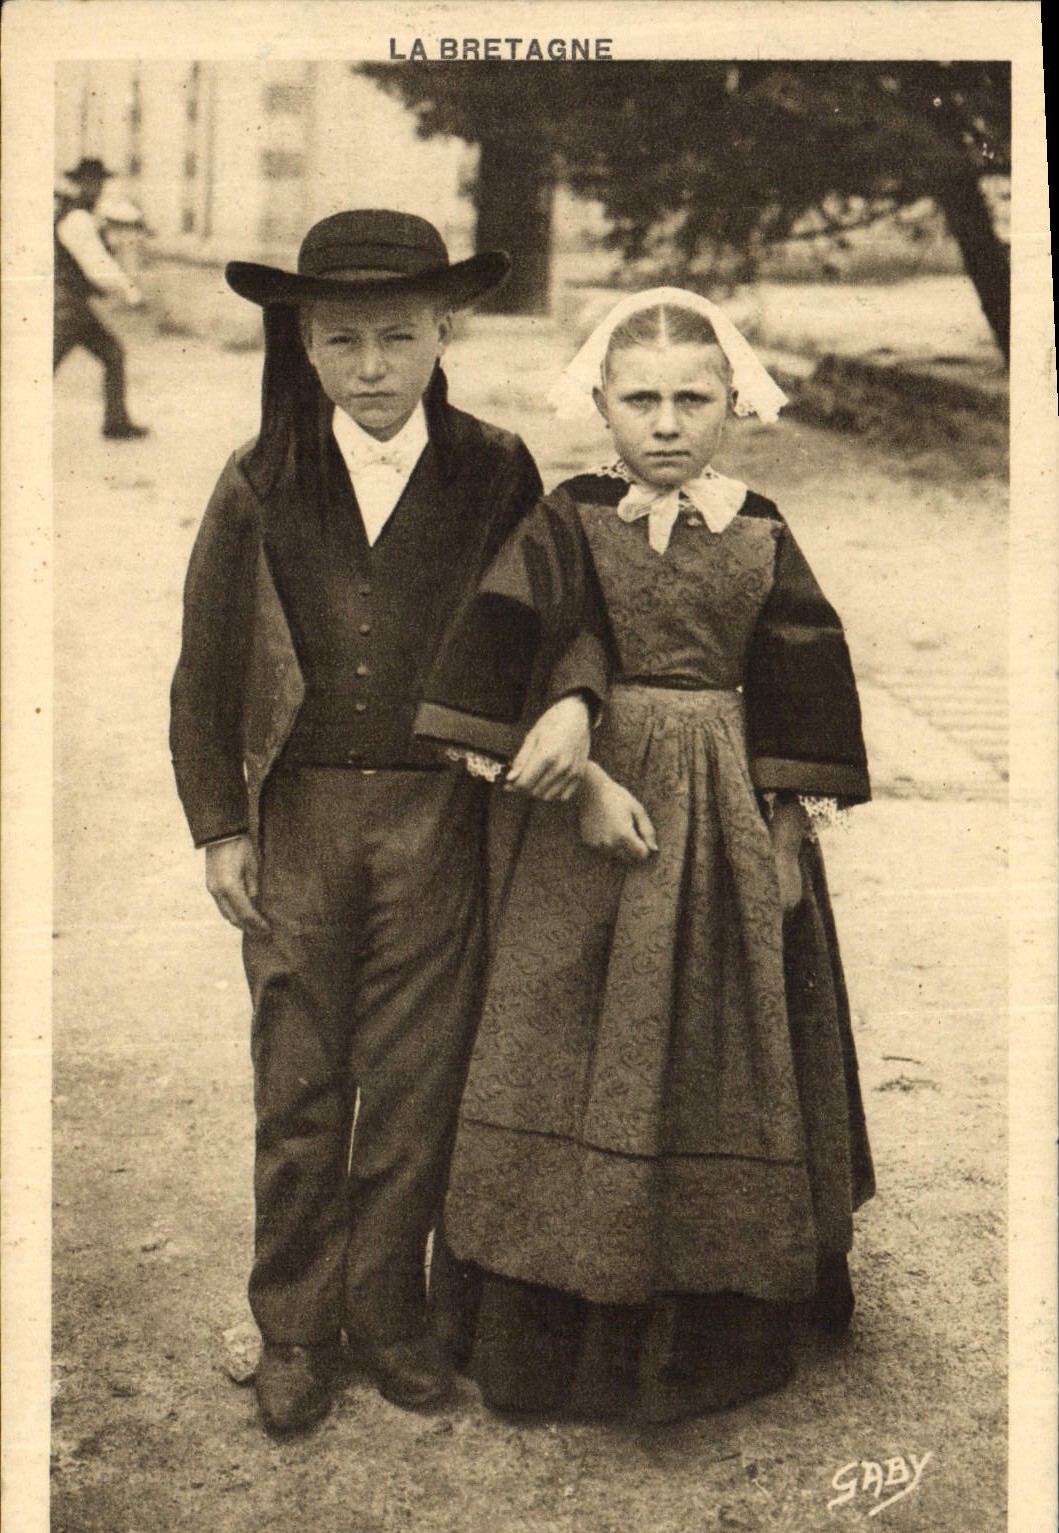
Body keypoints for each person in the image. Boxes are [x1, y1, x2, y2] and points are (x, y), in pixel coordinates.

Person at [169, 211, 603, 1436]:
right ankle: (296, 1330)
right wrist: (220, 823)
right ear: (304, 344)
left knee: (417, 1076)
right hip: (300, 813)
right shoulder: (259, 478)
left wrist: (570, 697)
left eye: (398, 337)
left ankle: (391, 1312)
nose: (372, 367)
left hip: (435, 814)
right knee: (300, 1074)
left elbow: (560, 608)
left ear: (443, 332)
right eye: (345, 339)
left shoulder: (495, 466)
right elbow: (203, 668)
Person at [416, 287, 876, 1423]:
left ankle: (710, 1298)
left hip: (719, 817)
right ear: (601, 405)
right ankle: (548, 1304)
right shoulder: (569, 517)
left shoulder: (761, 525)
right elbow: (515, 643)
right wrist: (576, 770)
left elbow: (796, 676)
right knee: (565, 1023)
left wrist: (779, 835)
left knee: (722, 1029)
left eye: (692, 398)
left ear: (733, 404)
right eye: (641, 400)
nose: (666, 423)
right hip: (589, 815)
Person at [54, 158, 149, 440]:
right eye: (91, 182)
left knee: (112, 354)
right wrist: (131, 291)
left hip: (72, 306)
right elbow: (97, 266)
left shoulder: (82, 213)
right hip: (66, 307)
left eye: (99, 182)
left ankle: (116, 423)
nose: (96, 188)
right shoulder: (76, 219)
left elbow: (121, 214)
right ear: (80, 184)